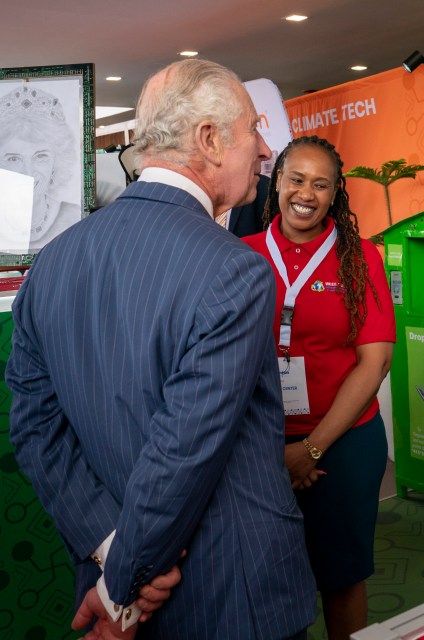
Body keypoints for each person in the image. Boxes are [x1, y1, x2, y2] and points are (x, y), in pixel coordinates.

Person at [6, 59, 316, 639]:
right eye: (254, 128)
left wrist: (109, 550)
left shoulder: (50, 265)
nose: (267, 148)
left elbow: (34, 428)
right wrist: (122, 586)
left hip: (119, 578)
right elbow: (184, 451)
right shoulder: (235, 271)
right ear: (208, 139)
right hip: (228, 594)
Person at [243, 136, 395, 640]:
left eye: (320, 183)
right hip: (255, 444)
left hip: (345, 441)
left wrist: (310, 449)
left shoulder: (360, 259)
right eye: (296, 179)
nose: (305, 192)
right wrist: (277, 451)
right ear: (277, 182)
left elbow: (374, 364)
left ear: (335, 194)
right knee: (264, 577)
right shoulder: (240, 257)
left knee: (341, 575)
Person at [0, 85, 82, 251]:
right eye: (14, 159)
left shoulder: (75, 219)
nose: (28, 173)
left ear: (56, 162)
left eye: (40, 157)